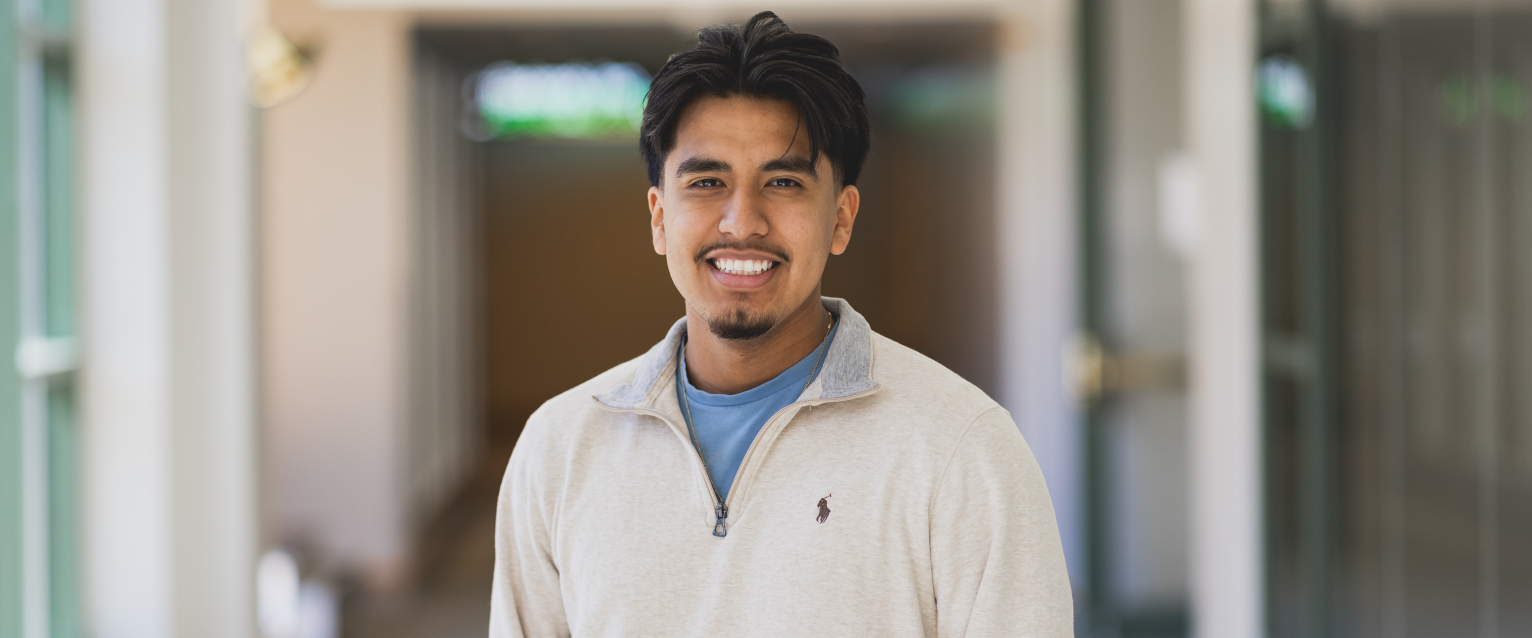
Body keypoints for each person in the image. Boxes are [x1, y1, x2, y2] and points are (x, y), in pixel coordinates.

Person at [489, 11, 1071, 637]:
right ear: (659, 218)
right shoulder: (561, 447)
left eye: (784, 181)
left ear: (842, 218)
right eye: (708, 181)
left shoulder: (961, 448)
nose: (742, 221)